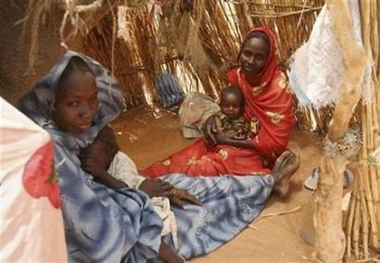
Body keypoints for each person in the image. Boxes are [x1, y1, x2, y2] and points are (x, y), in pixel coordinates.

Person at [17, 50, 298, 262]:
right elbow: (99, 232)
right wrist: (140, 196)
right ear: (49, 103)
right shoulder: (51, 154)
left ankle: (267, 183)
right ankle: (264, 186)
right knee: (199, 215)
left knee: (185, 185)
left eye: (92, 99)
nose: (88, 111)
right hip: (118, 239)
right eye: (73, 103)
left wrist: (138, 188)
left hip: (122, 196)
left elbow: (103, 140)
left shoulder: (70, 128)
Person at [143, 27, 297, 195]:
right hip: (233, 133)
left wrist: (229, 141)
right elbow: (230, 108)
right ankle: (143, 180)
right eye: (247, 53)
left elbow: (276, 143)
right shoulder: (240, 77)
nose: (251, 61)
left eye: (259, 57)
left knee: (212, 165)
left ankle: (271, 179)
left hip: (258, 149)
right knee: (191, 154)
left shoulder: (277, 88)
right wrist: (211, 120)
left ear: (268, 59)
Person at [79, 125, 180, 248]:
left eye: (90, 157)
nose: (86, 161)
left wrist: (101, 173)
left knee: (149, 225)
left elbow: (125, 191)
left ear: (110, 149)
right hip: (122, 206)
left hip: (140, 196)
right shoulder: (86, 169)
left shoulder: (121, 161)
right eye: (82, 156)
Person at [143, 85, 263, 177]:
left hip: (229, 148)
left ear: (241, 107)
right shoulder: (217, 117)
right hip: (213, 144)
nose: (231, 109)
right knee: (183, 157)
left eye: (235, 106)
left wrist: (227, 140)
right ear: (220, 105)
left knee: (202, 166)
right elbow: (210, 134)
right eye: (227, 106)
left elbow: (245, 137)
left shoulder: (243, 121)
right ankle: (153, 173)